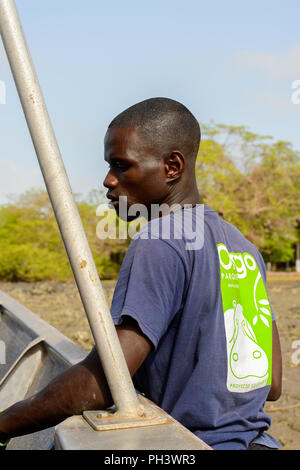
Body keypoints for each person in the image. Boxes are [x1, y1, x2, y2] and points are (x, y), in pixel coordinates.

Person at [0, 97, 282, 450]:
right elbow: (271, 384)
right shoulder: (243, 247)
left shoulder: (159, 241)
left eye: (121, 166)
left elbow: (104, 382)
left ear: (172, 166)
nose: (108, 180)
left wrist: (5, 422)